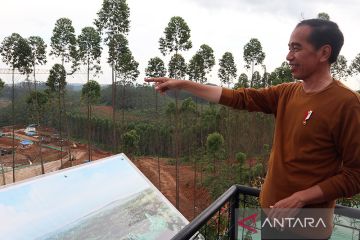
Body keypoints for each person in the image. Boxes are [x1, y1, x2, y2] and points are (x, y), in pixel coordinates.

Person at [145, 18, 360, 239]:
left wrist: (302, 197)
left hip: (307, 229)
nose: (288, 56)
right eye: (289, 48)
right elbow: (240, 98)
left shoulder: (346, 103)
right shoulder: (287, 93)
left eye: (296, 48)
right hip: (271, 216)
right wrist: (184, 84)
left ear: (324, 53)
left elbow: (356, 175)